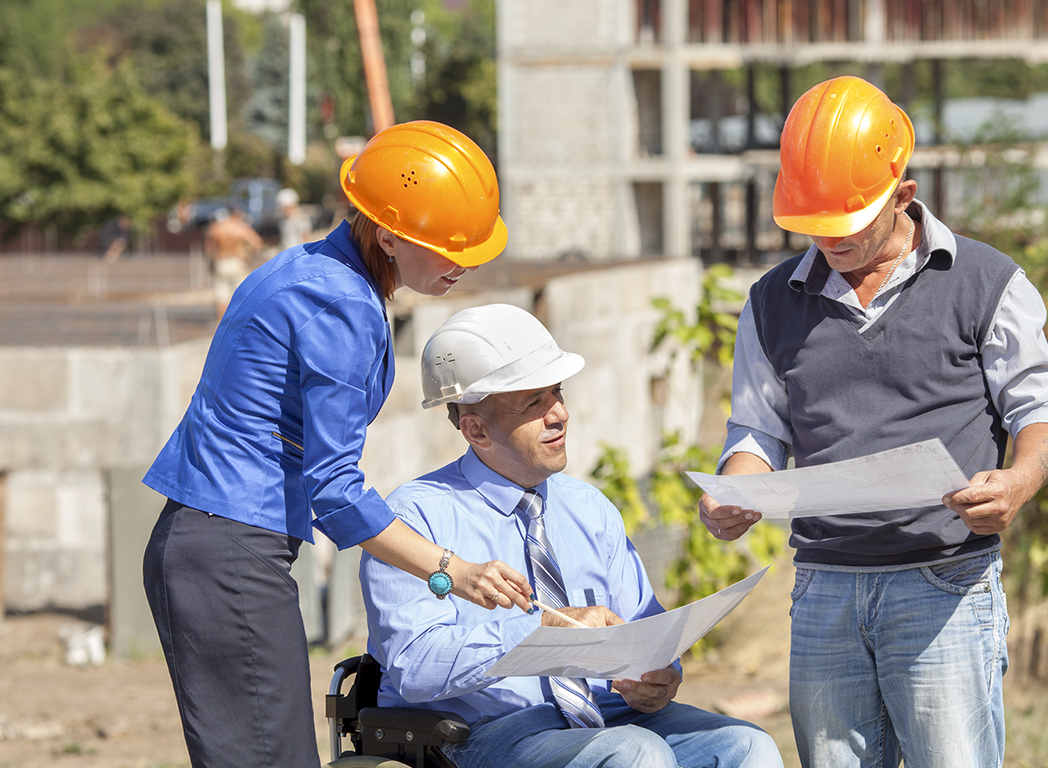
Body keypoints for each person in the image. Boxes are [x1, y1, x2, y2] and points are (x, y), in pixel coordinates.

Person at [698, 76, 1048, 768]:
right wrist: (737, 489)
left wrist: (1019, 482)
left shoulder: (987, 282)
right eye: (812, 225)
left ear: (903, 195)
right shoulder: (768, 302)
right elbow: (758, 430)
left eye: (844, 223)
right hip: (823, 589)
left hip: (945, 584)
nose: (828, 240)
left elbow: (1043, 408)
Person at [141, 122, 533, 768]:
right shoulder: (341, 305)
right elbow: (334, 488)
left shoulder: (309, 270)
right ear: (386, 235)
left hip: (213, 544)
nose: (464, 262)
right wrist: (451, 570)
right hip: (229, 554)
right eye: (446, 247)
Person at [361, 304, 785, 768]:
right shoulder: (414, 517)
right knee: (632, 754)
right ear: (476, 429)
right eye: (533, 403)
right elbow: (414, 667)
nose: (559, 413)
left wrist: (658, 678)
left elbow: (645, 630)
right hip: (484, 736)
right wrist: (541, 633)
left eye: (557, 393)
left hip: (613, 717)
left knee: (749, 746)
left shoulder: (589, 508)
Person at [203, 207, 265, 315]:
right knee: (241, 298)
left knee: (221, 299)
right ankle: (238, 327)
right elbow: (257, 243)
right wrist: (247, 256)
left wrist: (210, 265)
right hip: (237, 262)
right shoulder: (239, 227)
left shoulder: (215, 228)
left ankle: (221, 328)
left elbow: (208, 249)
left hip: (220, 263)